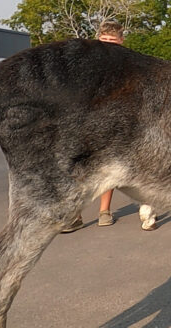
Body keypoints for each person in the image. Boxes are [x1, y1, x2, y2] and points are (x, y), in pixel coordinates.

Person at [61, 20, 125, 232]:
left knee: (107, 168)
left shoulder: (126, 65)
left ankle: (104, 211)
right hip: (84, 121)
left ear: (121, 41)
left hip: (111, 121)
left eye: (112, 41)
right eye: (104, 40)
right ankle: (75, 214)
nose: (107, 44)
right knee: (78, 169)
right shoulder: (85, 64)